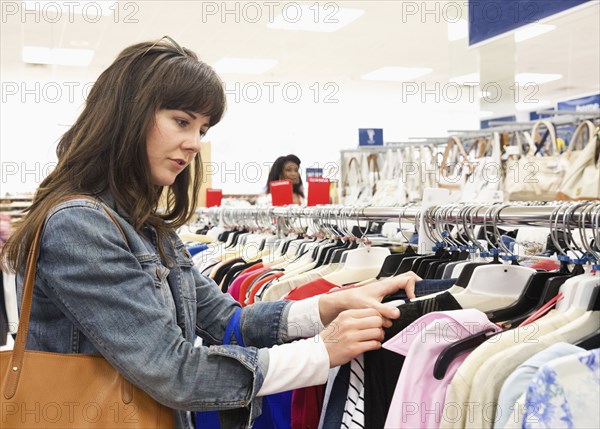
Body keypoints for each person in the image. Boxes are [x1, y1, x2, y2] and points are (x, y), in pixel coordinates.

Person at [1, 37, 418, 428]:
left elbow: (225, 319)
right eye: (181, 121)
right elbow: (175, 372)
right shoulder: (79, 224)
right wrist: (319, 353)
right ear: (126, 115)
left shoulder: (145, 224)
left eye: (202, 129)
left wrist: (328, 307)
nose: (195, 143)